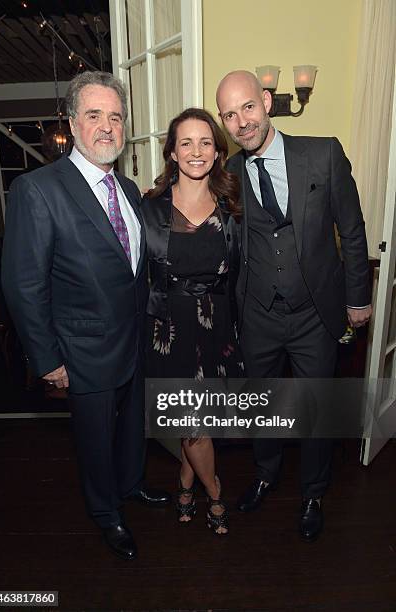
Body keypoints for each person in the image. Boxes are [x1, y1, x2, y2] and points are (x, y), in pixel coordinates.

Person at [1, 71, 170, 561]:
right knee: (95, 441)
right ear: (73, 124)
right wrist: (48, 358)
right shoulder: (39, 190)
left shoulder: (131, 190)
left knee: (132, 427)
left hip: (134, 341)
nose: (107, 127)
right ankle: (105, 513)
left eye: (115, 117)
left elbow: (133, 268)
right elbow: (23, 284)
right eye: (94, 115)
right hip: (83, 349)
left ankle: (132, 485)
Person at [216, 70, 372, 541]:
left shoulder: (322, 154)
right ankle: (265, 473)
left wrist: (358, 298)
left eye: (247, 107)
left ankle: (313, 492)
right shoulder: (230, 175)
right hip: (259, 314)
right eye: (229, 114)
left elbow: (353, 230)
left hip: (314, 315)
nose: (241, 121)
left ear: (266, 101)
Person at [141, 108, 243, 535]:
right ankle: (215, 492)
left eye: (206, 142)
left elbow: (242, 273)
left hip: (217, 326)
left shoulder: (232, 208)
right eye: (186, 142)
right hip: (170, 329)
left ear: (219, 152)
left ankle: (185, 485)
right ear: (172, 152)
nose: (196, 151)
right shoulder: (149, 208)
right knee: (193, 425)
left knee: (199, 421)